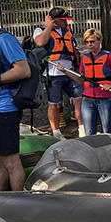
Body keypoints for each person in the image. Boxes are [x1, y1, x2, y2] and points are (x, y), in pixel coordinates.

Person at [56, 29, 111, 136]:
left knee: (107, 131)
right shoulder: (85, 58)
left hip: (105, 99)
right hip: (88, 99)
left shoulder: (109, 57)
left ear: (100, 40)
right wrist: (65, 71)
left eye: (92, 41)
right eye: (87, 42)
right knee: (89, 133)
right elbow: (82, 81)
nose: (89, 44)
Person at [33, 7, 85, 140]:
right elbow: (40, 42)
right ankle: (56, 131)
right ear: (54, 20)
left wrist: (77, 66)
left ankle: (82, 129)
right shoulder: (41, 30)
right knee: (54, 104)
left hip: (69, 72)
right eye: (63, 20)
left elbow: (74, 49)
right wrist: (48, 27)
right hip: (52, 73)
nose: (66, 22)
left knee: (79, 98)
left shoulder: (67, 30)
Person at [0, 28, 31, 191]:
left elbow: (24, 70)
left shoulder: (4, 39)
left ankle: (19, 203)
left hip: (5, 109)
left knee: (11, 161)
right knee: (0, 161)